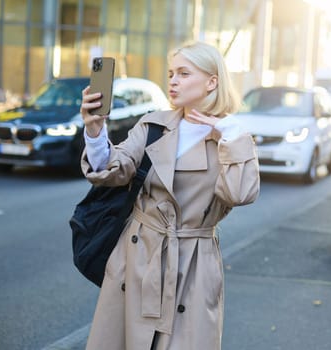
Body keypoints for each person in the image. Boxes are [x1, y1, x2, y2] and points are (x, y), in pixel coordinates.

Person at [79, 40, 260, 350]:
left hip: (192, 263)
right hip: (136, 258)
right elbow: (114, 169)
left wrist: (230, 136)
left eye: (184, 73)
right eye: (171, 73)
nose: (173, 81)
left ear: (212, 81)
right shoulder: (154, 125)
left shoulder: (232, 138)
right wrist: (95, 132)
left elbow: (240, 193)